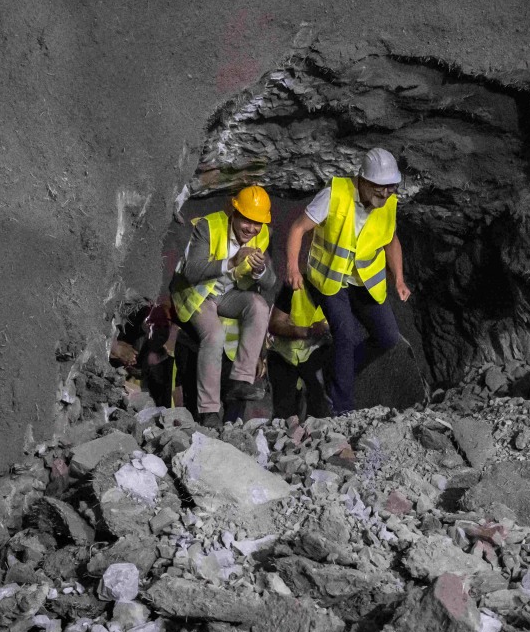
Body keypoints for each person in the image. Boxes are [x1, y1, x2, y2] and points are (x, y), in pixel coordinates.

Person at [283, 148, 410, 414]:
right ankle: (342, 407)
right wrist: (293, 267)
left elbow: (391, 240)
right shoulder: (333, 195)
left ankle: (333, 370)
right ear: (362, 180)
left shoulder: (389, 203)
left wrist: (398, 278)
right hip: (331, 279)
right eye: (380, 187)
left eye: (390, 187)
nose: (386, 193)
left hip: (365, 281)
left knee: (387, 336)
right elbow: (298, 228)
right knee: (345, 335)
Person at [170, 186, 276, 427]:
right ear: (234, 213)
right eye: (247, 220)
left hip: (226, 295)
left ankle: (242, 381)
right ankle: (209, 411)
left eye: (257, 223)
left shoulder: (262, 235)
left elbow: (270, 283)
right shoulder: (208, 226)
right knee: (214, 334)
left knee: (258, 306)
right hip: (197, 294)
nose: (252, 228)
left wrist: (260, 270)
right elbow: (192, 271)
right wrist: (231, 261)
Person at [266, 286, 332, 420]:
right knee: (284, 415)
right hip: (284, 354)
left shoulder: (334, 291)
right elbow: (274, 324)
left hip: (315, 351)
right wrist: (305, 331)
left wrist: (326, 327)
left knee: (319, 412)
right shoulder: (293, 286)